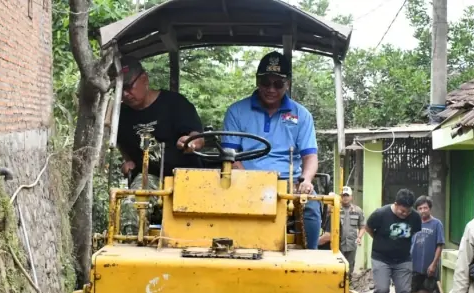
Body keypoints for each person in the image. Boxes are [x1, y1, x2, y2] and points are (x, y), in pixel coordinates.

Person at [221, 51, 322, 249]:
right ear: (258, 81)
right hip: (245, 182)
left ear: (288, 84)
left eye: (278, 84)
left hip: (289, 183)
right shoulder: (236, 111)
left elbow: (310, 156)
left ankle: (311, 256)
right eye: (266, 83)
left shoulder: (302, 115)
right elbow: (230, 157)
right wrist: (250, 183)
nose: (271, 89)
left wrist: (306, 181)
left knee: (311, 207)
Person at [115, 56, 205, 235]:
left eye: (128, 87)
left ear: (144, 79)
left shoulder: (175, 103)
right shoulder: (121, 114)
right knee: (131, 204)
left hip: (186, 175)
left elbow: (198, 137)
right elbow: (120, 142)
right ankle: (132, 249)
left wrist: (190, 142)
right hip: (150, 176)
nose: (125, 94)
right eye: (119, 89)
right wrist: (128, 161)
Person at [365, 189, 423, 293]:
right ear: (396, 204)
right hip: (381, 258)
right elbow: (369, 228)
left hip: (403, 259)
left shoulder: (415, 218)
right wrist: (381, 242)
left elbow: (414, 234)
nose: (405, 214)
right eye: (402, 211)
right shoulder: (380, 214)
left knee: (404, 292)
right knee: (382, 289)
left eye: (408, 211)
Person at [410, 196, 445, 293]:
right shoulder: (414, 223)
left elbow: (440, 245)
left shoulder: (436, 224)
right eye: (420, 208)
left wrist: (434, 264)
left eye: (425, 208)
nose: (423, 211)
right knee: (412, 290)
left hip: (429, 265)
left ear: (430, 208)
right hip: (414, 264)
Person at [317, 187, 365, 268]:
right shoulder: (335, 209)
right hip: (338, 245)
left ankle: (348, 280)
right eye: (343, 195)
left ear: (351, 197)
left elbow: (362, 226)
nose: (345, 198)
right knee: (338, 267)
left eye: (347, 195)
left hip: (351, 244)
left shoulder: (357, 210)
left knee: (350, 267)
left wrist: (359, 237)